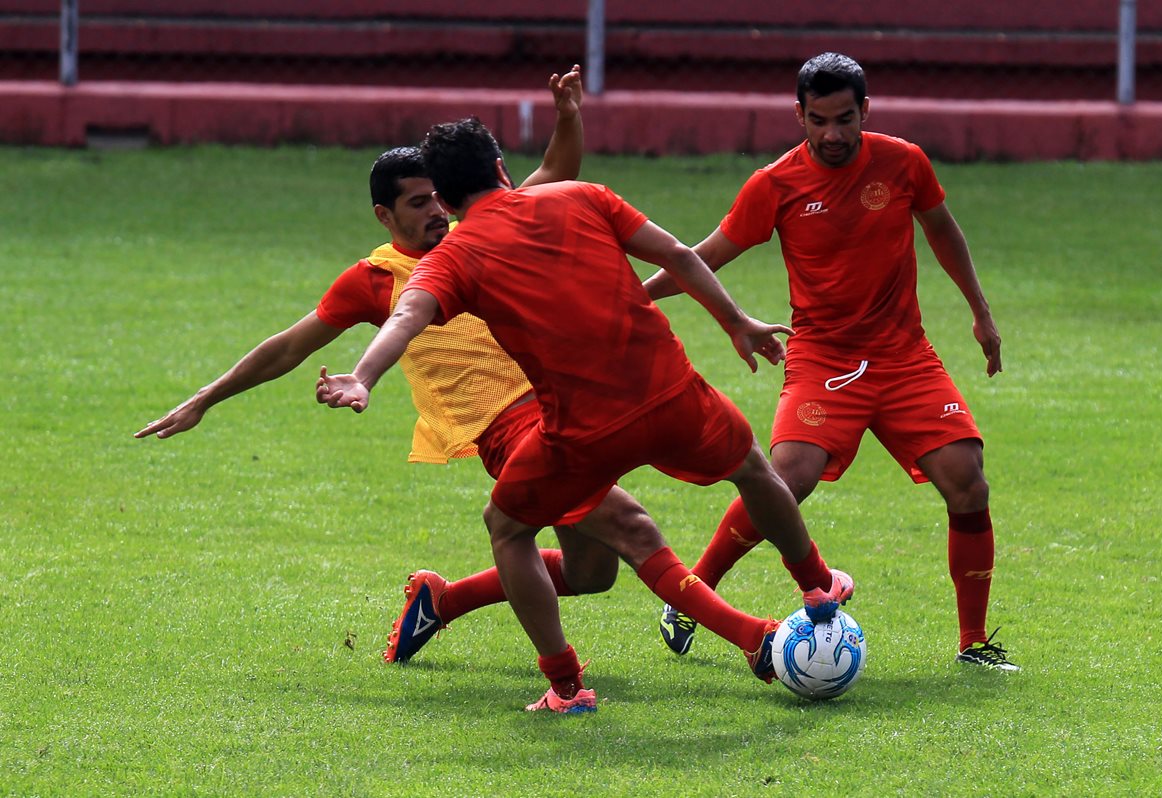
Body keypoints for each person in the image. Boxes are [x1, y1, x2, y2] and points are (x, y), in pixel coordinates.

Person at [317, 117, 855, 713]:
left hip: (583, 433)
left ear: (444, 199)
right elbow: (677, 253)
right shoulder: (582, 194)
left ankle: (567, 686)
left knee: (510, 528)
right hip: (672, 395)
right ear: (501, 167)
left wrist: (362, 377)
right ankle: (816, 585)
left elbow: (405, 319)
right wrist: (736, 322)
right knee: (754, 471)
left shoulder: (452, 258)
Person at [133, 67, 627, 666]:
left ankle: (439, 602)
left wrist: (568, 117)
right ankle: (745, 639)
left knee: (594, 570)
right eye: (418, 204)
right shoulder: (375, 280)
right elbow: (289, 347)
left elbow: (554, 174)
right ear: (383, 215)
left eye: (438, 198)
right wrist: (204, 398)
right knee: (634, 527)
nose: (437, 213)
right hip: (509, 431)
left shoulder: (483, 231)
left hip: (558, 410)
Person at [644, 52, 1017, 671]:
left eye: (845, 118)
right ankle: (692, 595)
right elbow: (704, 257)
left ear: (865, 110)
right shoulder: (774, 184)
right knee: (787, 479)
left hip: (904, 358)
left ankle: (973, 643)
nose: (833, 134)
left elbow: (943, 230)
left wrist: (980, 311)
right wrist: (635, 296)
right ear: (799, 115)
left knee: (968, 481)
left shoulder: (904, 162)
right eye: (818, 120)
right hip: (823, 358)